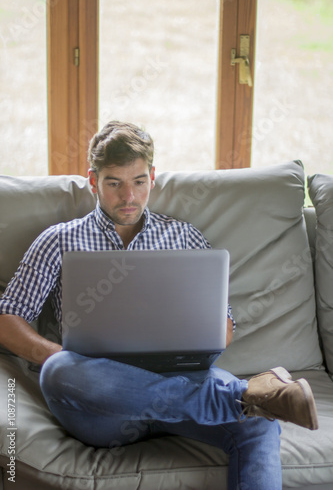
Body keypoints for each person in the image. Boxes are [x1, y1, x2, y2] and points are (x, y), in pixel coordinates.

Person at [0, 121, 318, 490]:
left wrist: (198, 333)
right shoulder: (59, 240)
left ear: (152, 177)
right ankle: (235, 397)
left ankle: (230, 399)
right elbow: (8, 319)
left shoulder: (182, 236)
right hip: (102, 402)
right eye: (114, 183)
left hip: (182, 379)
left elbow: (224, 327)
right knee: (58, 369)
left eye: (138, 181)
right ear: (93, 181)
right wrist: (63, 354)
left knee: (262, 421)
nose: (128, 197)